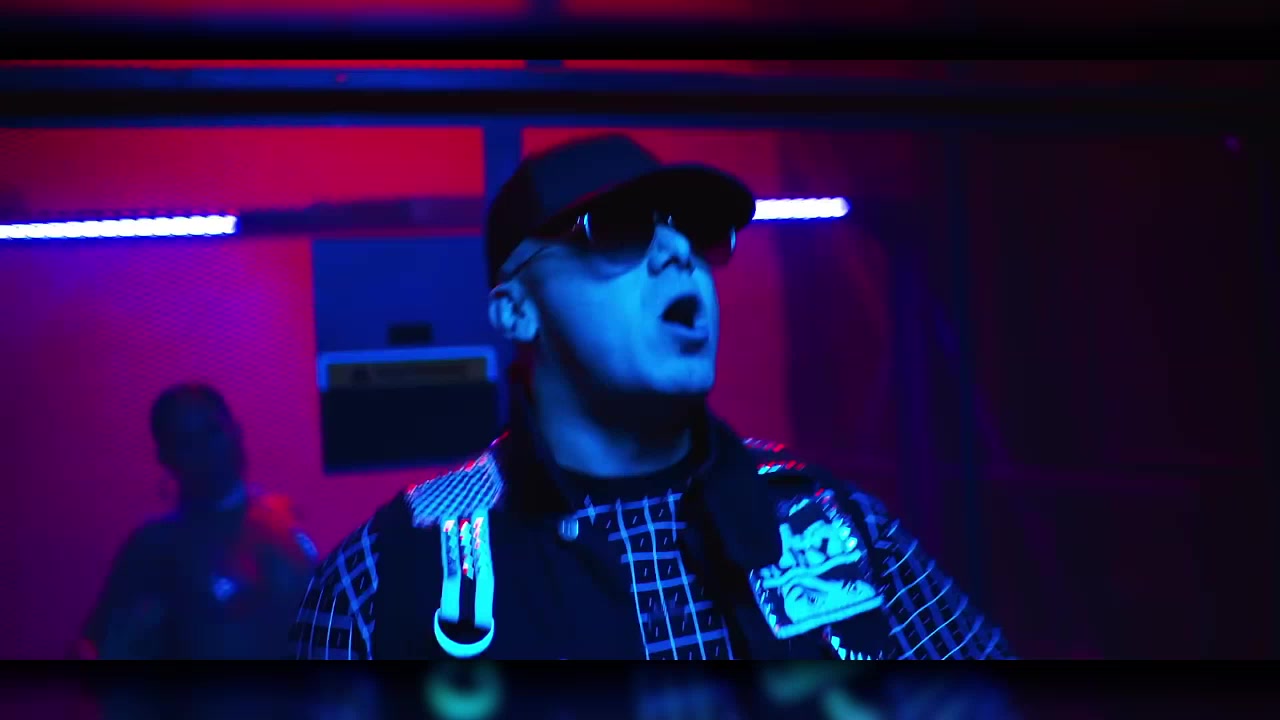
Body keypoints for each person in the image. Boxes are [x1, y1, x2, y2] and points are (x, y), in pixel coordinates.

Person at [290, 134, 1011, 660]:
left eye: (694, 231)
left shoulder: (834, 522)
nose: (678, 253)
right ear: (516, 311)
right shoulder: (389, 579)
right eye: (619, 230)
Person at [76, 382, 317, 660]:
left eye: (212, 432)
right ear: (165, 456)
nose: (207, 451)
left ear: (236, 431)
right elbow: (98, 648)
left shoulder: (284, 527)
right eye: (187, 442)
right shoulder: (154, 547)